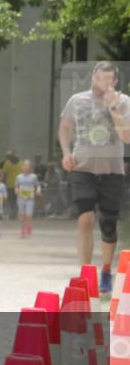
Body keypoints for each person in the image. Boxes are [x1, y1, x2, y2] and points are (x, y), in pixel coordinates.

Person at [58, 60, 130, 292]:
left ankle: (106, 270)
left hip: (112, 171)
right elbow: (65, 127)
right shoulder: (77, 100)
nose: (102, 84)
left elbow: (126, 137)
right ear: (93, 78)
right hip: (82, 168)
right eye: (99, 79)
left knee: (108, 225)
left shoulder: (125, 102)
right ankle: (85, 274)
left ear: (115, 82)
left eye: (107, 81)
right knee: (85, 219)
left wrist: (113, 106)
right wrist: (66, 152)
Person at [16, 159, 40, 238]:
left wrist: (38, 190)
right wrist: (16, 190)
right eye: (24, 165)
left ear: (30, 168)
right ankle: (22, 231)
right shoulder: (18, 177)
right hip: (21, 198)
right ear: (22, 167)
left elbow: (38, 185)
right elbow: (16, 186)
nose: (26, 167)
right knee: (22, 215)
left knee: (28, 215)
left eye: (28, 165)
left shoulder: (33, 176)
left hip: (30, 198)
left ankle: (28, 225)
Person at [0, 150, 22, 220]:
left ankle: (17, 213)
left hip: (19, 185)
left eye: (10, 156)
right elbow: (4, 174)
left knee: (18, 199)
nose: (9, 157)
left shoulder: (22, 163)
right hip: (9, 184)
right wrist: (3, 183)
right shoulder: (7, 163)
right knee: (11, 200)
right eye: (8, 156)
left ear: (14, 155)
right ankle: (13, 213)